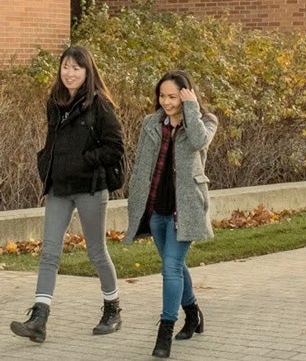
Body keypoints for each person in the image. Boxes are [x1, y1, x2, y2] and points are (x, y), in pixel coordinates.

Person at [10, 46, 124, 343]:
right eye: (65, 67)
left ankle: (113, 309)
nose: (69, 73)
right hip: (59, 188)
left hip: (89, 188)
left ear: (88, 72)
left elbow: (115, 149)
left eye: (76, 68)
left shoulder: (100, 105)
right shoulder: (55, 102)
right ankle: (39, 317)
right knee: (49, 253)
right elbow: (52, 142)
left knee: (96, 252)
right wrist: (46, 163)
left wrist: (80, 162)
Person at [125, 70, 218, 358]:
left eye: (173, 96)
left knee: (171, 267)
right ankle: (193, 314)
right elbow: (142, 165)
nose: (166, 101)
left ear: (186, 94)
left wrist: (191, 109)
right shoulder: (151, 123)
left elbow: (200, 143)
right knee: (174, 264)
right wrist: (136, 201)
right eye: (162, 96)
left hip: (185, 209)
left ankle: (165, 331)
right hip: (156, 208)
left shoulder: (204, 122)